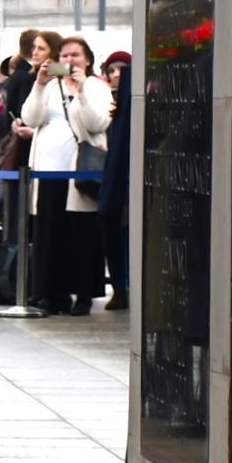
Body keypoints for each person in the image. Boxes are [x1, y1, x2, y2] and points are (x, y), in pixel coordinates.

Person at [22, 35, 112, 315]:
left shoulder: (97, 87)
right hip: (48, 174)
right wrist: (38, 85)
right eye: (65, 56)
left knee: (81, 235)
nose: (70, 61)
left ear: (87, 59)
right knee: (50, 235)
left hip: (79, 173)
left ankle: (83, 293)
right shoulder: (50, 87)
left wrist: (82, 92)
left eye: (75, 55)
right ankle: (51, 292)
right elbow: (31, 118)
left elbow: (97, 123)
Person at [98, 50, 133, 311]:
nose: (117, 74)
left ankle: (128, 287)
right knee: (112, 230)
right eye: (112, 70)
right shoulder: (102, 99)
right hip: (108, 173)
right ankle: (119, 288)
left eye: (122, 69)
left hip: (128, 174)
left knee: (128, 233)